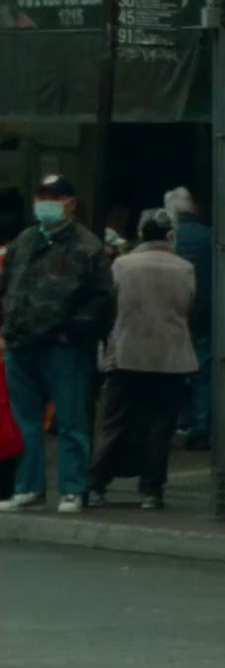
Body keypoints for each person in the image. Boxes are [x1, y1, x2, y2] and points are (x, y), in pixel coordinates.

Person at [0, 175, 114, 515]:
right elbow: (6, 286)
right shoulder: (25, 240)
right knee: (25, 423)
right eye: (41, 195)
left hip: (63, 347)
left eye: (54, 196)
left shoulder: (86, 246)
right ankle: (29, 487)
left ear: (71, 203)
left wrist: (73, 332)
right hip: (22, 344)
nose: (45, 202)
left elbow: (102, 299)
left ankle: (73, 489)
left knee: (71, 421)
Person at [87, 209, 198, 510]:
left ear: (140, 233)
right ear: (170, 235)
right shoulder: (185, 268)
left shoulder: (122, 265)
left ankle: (97, 484)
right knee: (160, 426)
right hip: (171, 358)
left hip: (128, 354)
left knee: (116, 422)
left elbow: (109, 308)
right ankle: (151, 491)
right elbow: (189, 306)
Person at [164, 187, 213, 451]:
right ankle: (200, 428)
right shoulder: (211, 237)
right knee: (202, 371)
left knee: (168, 370)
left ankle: (167, 424)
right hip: (204, 311)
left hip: (171, 313)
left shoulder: (169, 239)